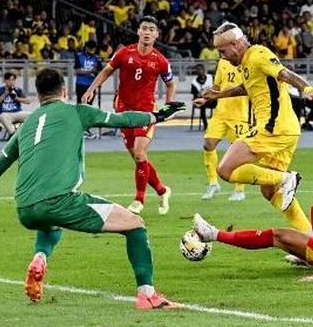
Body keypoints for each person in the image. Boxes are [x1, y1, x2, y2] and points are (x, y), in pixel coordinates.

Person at [0, 68, 186, 308]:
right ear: (64, 91)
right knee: (135, 224)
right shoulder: (76, 111)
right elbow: (123, 119)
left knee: (50, 222)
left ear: (38, 95)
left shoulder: (26, 125)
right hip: (59, 201)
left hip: (24, 208)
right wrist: (157, 116)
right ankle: (147, 296)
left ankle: (40, 256)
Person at [193, 21, 313, 235]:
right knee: (269, 191)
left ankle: (287, 178)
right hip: (286, 130)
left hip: (272, 129)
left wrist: (307, 88)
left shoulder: (258, 54)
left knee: (225, 169)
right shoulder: (247, 62)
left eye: (223, 50)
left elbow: (284, 73)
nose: (222, 56)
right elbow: (247, 87)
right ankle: (310, 239)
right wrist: (218, 95)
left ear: (236, 44)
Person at [82, 16, 175, 216]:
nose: (148, 32)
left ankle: (139, 200)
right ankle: (162, 190)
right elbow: (106, 72)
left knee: (141, 153)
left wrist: (168, 107)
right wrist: (91, 89)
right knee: (138, 158)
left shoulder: (160, 60)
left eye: (152, 29)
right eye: (144, 28)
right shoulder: (124, 53)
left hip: (146, 113)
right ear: (139, 31)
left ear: (157, 34)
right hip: (124, 112)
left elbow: (170, 84)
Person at [198, 58, 251, 202]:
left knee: (238, 150)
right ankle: (213, 184)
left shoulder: (247, 61)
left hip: (239, 115)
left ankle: (239, 189)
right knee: (208, 144)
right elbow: (217, 86)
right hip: (221, 113)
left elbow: (247, 88)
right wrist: (206, 99)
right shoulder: (222, 62)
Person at [75, 40, 103, 139]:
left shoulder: (96, 58)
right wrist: (90, 71)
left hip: (91, 85)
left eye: (93, 50)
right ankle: (79, 129)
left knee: (88, 107)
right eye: (90, 49)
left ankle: (85, 128)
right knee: (80, 106)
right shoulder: (79, 56)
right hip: (81, 84)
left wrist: (97, 71)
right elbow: (77, 70)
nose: (92, 51)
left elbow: (100, 71)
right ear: (86, 48)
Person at [0, 72, 31, 140]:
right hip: (5, 113)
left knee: (31, 115)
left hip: (17, 112)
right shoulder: (0, 89)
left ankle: (28, 134)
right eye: (9, 80)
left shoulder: (17, 90)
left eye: (13, 80)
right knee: (2, 116)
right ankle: (13, 135)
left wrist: (17, 98)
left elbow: (28, 101)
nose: (11, 82)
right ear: (5, 81)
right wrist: (4, 94)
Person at [190, 63, 214, 131]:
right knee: (201, 104)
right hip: (202, 100)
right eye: (198, 70)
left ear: (204, 70)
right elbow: (195, 96)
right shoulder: (194, 82)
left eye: (201, 69)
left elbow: (217, 88)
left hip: (212, 99)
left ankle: (214, 124)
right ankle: (206, 125)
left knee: (221, 104)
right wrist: (200, 96)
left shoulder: (211, 77)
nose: (200, 71)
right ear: (196, 72)